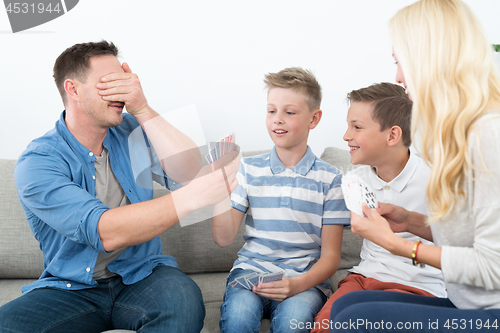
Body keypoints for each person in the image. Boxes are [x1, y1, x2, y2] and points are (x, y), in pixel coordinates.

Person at [0, 41, 239, 333]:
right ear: (73, 89)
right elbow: (104, 231)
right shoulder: (38, 161)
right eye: (109, 84)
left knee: (183, 301)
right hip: (72, 288)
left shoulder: (132, 129)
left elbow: (189, 172)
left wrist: (142, 108)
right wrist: (193, 197)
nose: (122, 93)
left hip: (143, 276)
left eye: (124, 81)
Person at [328, 0, 500, 332]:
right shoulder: (459, 135)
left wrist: (399, 245)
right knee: (348, 305)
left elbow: (493, 265)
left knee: (353, 320)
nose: (398, 76)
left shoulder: (488, 135)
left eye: (400, 61)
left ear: (430, 59)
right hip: (469, 303)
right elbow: (473, 240)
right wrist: (411, 222)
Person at [211, 67, 350, 332]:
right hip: (250, 274)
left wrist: (296, 285)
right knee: (238, 319)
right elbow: (223, 238)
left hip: (304, 282)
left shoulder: (331, 179)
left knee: (291, 324)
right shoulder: (248, 170)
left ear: (314, 118)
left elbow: (331, 258)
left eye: (289, 112)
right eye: (271, 111)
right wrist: (220, 191)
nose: (277, 120)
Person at [311, 82, 446, 333]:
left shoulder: (436, 179)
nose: (346, 135)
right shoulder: (355, 179)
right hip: (362, 279)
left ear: (392, 135)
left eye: (357, 127)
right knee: (324, 325)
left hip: (416, 286)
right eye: (348, 125)